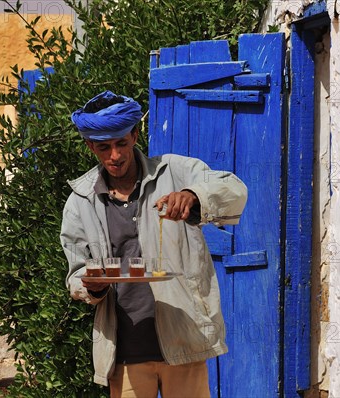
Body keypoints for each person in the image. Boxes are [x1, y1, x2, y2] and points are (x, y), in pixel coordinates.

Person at [60, 91, 247, 397]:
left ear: (135, 134)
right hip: (124, 349)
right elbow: (77, 273)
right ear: (90, 146)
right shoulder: (81, 201)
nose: (115, 155)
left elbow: (234, 189)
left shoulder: (174, 171)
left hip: (184, 339)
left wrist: (193, 195)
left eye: (121, 142)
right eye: (104, 147)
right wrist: (91, 286)